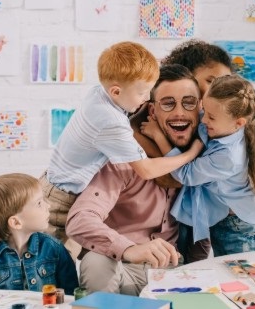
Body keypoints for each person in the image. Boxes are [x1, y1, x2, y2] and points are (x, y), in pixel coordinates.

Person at [41, 41, 201, 256]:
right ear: (116, 91)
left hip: (55, 182)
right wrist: (190, 154)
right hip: (61, 200)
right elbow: (146, 170)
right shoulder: (111, 121)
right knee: (56, 265)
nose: (146, 99)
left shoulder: (100, 92)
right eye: (143, 93)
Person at [66, 64, 202, 296]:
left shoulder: (204, 163)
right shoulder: (124, 160)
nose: (180, 112)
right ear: (151, 111)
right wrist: (130, 248)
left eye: (188, 103)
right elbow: (80, 220)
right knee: (96, 261)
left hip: (174, 273)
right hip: (124, 268)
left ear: (199, 109)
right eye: (168, 103)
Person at [141, 75, 255, 256]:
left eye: (210, 117)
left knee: (238, 277)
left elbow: (185, 174)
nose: (203, 120)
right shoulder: (222, 124)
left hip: (239, 226)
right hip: (222, 216)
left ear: (238, 123)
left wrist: (158, 135)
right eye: (204, 109)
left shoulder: (229, 157)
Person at [158, 39, 233, 262]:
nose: (219, 89)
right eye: (211, 81)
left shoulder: (211, 122)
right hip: (173, 215)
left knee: (198, 260)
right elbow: (166, 177)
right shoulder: (167, 115)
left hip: (200, 211)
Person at [0, 173, 78, 295]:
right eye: (39, 203)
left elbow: (71, 295)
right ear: (16, 222)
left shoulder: (54, 249)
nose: (48, 206)